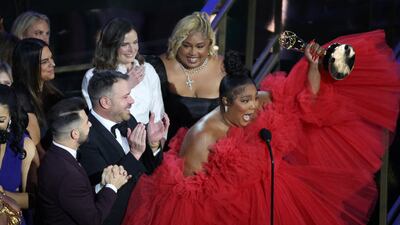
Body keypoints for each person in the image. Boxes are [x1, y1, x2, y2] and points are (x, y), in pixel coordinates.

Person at [122, 30, 400, 225]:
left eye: (255, 98)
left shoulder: (257, 102)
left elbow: (307, 104)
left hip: (275, 195)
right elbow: (185, 201)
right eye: (245, 102)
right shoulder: (202, 135)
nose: (254, 107)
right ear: (225, 102)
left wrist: (314, 67)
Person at [78, 70, 169, 225]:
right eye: (125, 96)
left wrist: (153, 145)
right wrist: (133, 154)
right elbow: (105, 190)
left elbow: (150, 170)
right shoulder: (86, 137)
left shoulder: (128, 119)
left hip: (147, 209)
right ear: (105, 102)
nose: (132, 100)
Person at [37, 97, 131, 225]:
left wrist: (102, 185)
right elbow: (93, 220)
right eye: (87, 122)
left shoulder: (53, 156)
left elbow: (76, 199)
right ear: (74, 134)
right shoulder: (67, 174)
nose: (91, 124)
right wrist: (112, 186)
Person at [147, 12, 225, 142]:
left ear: (210, 43)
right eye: (186, 45)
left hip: (214, 148)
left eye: (200, 46)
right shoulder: (157, 67)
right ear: (177, 42)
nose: (193, 53)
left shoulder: (225, 67)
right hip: (168, 151)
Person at [81, 17, 165, 124]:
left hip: (146, 136)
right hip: (113, 138)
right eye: (125, 45)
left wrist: (157, 139)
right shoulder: (93, 75)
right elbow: (97, 119)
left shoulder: (147, 69)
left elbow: (158, 112)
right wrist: (126, 85)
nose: (132, 49)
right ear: (111, 46)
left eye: (135, 42)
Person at [11, 38, 63, 158]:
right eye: (45, 61)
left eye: (51, 58)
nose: (53, 64)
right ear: (29, 66)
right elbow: (38, 149)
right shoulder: (20, 96)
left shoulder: (53, 93)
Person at [0, 84, 35, 225]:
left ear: (11, 118)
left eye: (1, 120)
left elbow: (32, 199)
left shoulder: (24, 146)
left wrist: (3, 195)